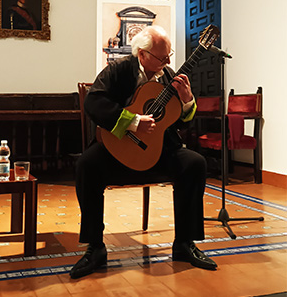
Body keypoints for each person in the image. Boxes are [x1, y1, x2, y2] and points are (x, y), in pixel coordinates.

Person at [70, 25, 217, 279]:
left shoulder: (169, 76)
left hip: (158, 151)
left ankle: (184, 244)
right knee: (86, 165)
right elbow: (93, 102)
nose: (168, 61)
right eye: (163, 57)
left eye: (169, 56)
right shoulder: (118, 70)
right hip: (118, 150)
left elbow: (181, 121)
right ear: (142, 54)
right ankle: (95, 247)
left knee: (194, 163)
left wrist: (188, 101)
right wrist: (133, 121)